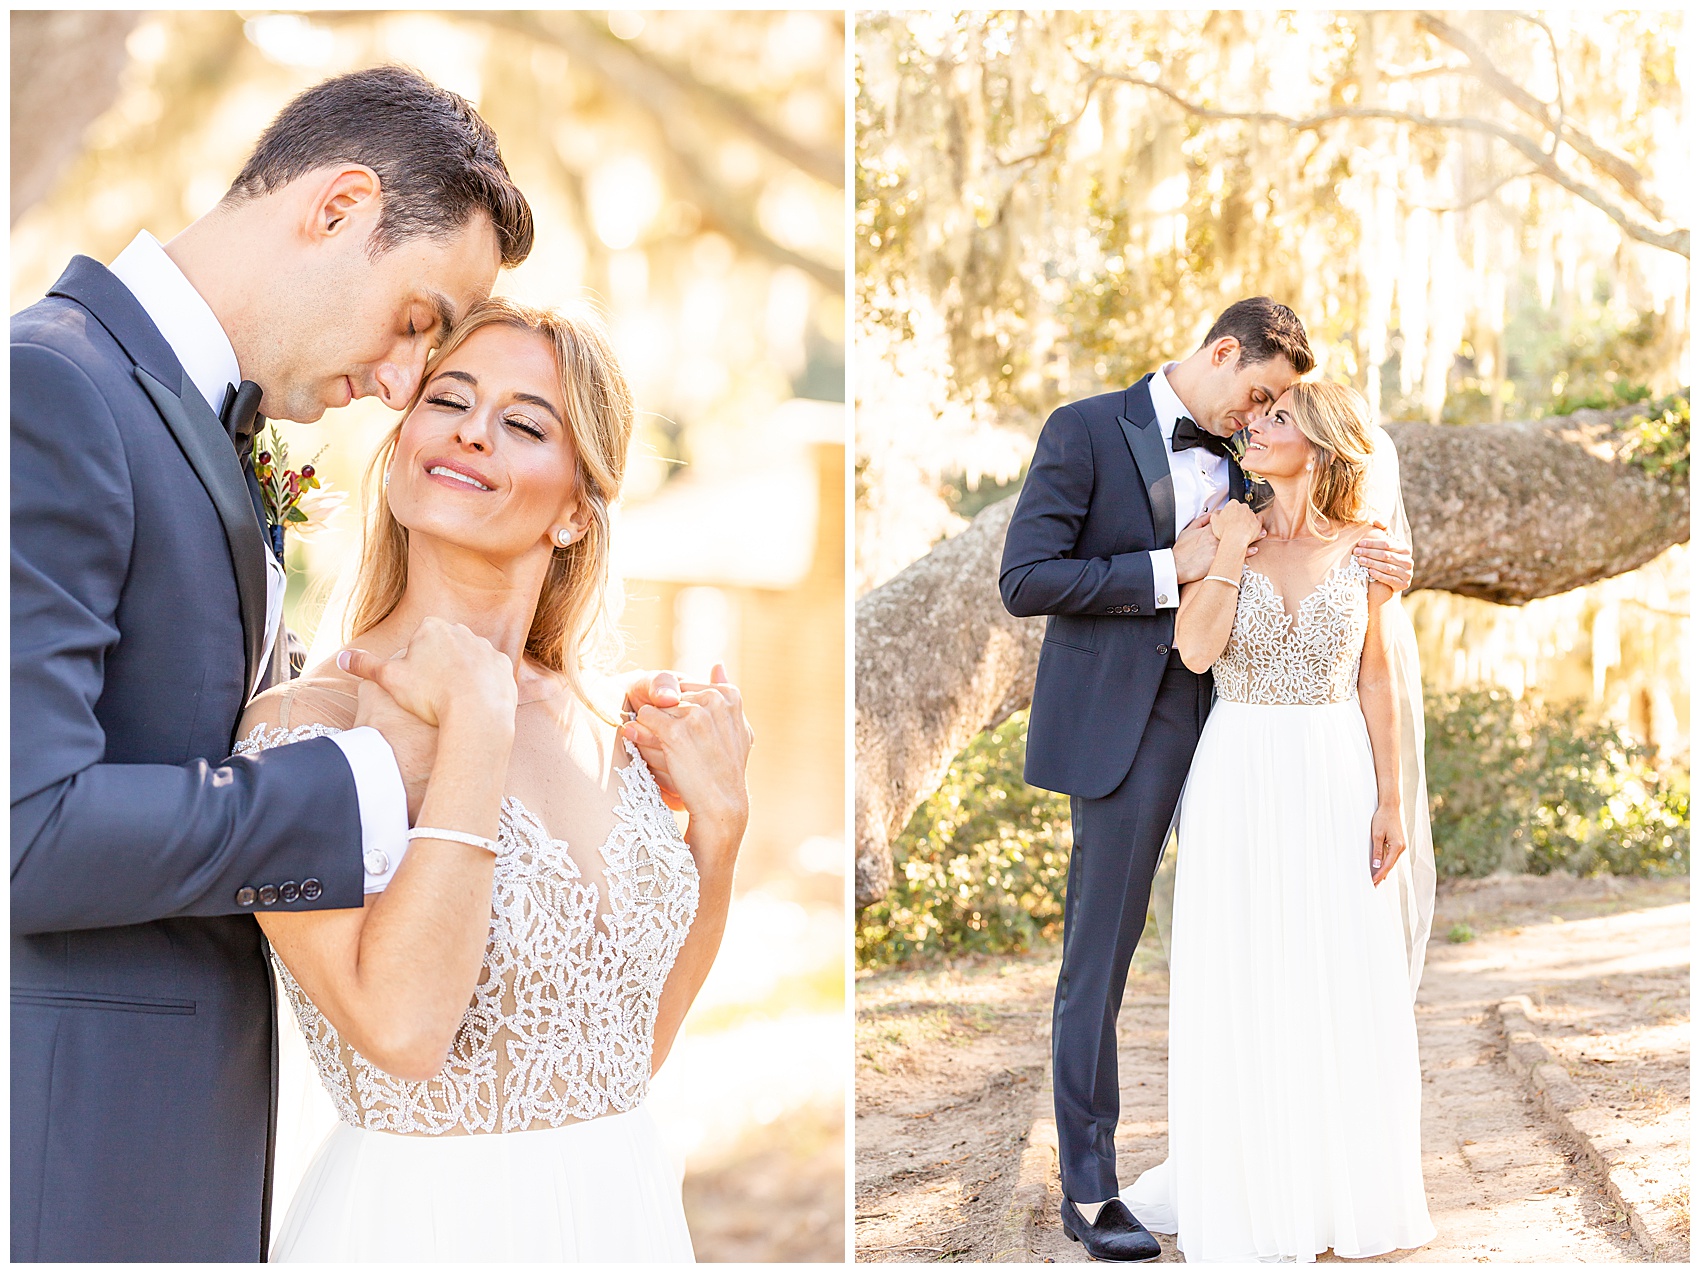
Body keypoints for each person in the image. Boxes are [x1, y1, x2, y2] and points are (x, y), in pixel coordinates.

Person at [10, 68, 685, 1262]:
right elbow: (25, 826)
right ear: (338, 208)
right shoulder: (51, 385)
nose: (400, 383)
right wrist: (382, 771)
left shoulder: (202, 430)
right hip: (81, 1158)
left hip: (202, 1161)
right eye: (420, 321)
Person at [238, 297, 750, 1261]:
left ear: (572, 512)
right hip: (419, 1229)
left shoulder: (608, 720)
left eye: (523, 423)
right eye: (448, 400)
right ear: (400, 450)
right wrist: (472, 733)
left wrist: (718, 838)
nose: (474, 430)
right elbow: (396, 1029)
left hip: (622, 1215)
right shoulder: (302, 735)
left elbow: (621, 1058)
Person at [998, 298, 1414, 1261]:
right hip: (1127, 726)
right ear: (1225, 352)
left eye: (1279, 408)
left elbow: (1337, 516)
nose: (1261, 416)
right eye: (1260, 393)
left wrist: (1392, 556)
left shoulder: (1259, 445)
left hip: (1256, 730)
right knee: (1098, 962)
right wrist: (1164, 566)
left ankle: (1295, 1167)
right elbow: (1026, 579)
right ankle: (1093, 1191)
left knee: (1280, 950)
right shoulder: (1086, 428)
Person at [1124, 380, 1436, 1261]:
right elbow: (1194, 649)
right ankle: (1254, 1183)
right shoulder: (1228, 533)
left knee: (1335, 963)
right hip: (1239, 767)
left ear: (1324, 442)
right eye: (1255, 417)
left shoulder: (1369, 553)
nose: (1255, 426)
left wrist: (1390, 797)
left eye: (1278, 418)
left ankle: (1338, 1185)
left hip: (1334, 767)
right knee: (1245, 963)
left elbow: (1376, 677)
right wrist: (1224, 551)